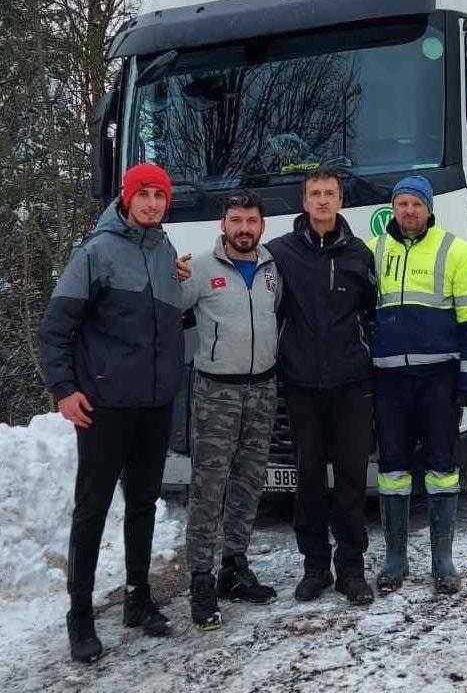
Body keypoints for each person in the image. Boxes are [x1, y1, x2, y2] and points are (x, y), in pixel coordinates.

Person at [38, 162, 184, 663]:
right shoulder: (96, 252)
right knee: (93, 506)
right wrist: (64, 389)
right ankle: (80, 615)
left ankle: (138, 599)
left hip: (154, 404)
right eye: (142, 195)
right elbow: (56, 328)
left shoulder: (163, 251)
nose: (150, 204)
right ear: (125, 198)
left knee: (143, 503)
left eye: (158, 196)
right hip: (104, 404)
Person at [368, 175, 467, 595]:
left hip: (439, 377)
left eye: (416, 205)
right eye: (401, 204)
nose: (408, 212)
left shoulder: (456, 250)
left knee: (441, 465)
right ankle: (395, 560)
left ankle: (443, 560)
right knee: (392, 469)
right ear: (393, 209)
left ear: (429, 209)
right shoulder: (375, 251)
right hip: (389, 379)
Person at [267, 167, 378, 606]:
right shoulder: (280, 252)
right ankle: (315, 567)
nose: (322, 200)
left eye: (329, 193)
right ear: (304, 200)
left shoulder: (359, 254)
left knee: (351, 477)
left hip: (351, 383)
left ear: (340, 201)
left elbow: (371, 311)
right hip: (301, 384)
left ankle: (351, 569)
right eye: (315, 193)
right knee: (308, 477)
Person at [178, 191, 281, 631]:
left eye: (251, 221)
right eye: (236, 220)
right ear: (223, 224)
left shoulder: (272, 268)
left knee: (249, 481)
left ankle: (234, 567)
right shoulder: (198, 268)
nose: (244, 228)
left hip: (262, 389)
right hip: (216, 393)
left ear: (262, 226)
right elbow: (168, 309)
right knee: (208, 487)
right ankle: (201, 578)